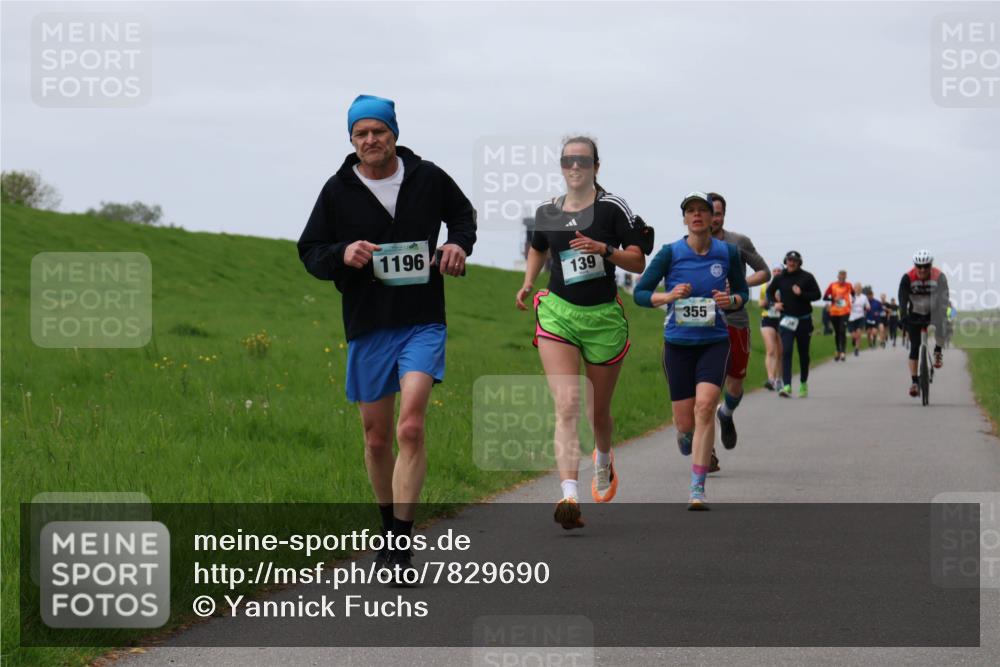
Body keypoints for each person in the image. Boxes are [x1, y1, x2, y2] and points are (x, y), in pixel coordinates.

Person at [298, 95, 476, 579]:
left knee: (410, 427)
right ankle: (384, 528)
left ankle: (401, 542)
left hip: (422, 320)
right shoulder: (337, 190)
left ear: (394, 133)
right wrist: (342, 252)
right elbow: (310, 251)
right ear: (351, 140)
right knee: (376, 439)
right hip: (368, 323)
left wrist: (457, 243)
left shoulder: (428, 177)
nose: (370, 140)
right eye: (361, 134)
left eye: (378, 131)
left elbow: (463, 216)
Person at [515, 136, 652, 530]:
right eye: (567, 160)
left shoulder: (612, 208)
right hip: (558, 312)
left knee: (598, 411)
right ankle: (569, 496)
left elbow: (638, 261)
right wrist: (527, 282)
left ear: (596, 165)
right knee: (568, 404)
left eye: (583, 160)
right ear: (561, 166)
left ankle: (604, 459)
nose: (575, 166)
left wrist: (603, 249)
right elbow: (539, 248)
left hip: (603, 318)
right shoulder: (547, 210)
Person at [634, 192, 749, 510]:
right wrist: (667, 296)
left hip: (714, 342)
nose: (697, 215)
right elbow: (641, 293)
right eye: (691, 211)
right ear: (684, 218)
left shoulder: (728, 253)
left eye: (703, 210)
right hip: (678, 346)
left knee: (705, 408)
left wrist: (732, 301)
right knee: (685, 423)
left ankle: (697, 489)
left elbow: (741, 292)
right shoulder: (670, 253)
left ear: (714, 218)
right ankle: (685, 437)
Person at [707, 193, 770, 463]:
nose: (713, 218)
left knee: (733, 387)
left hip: (735, 320)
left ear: (723, 215)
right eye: (709, 212)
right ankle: (706, 452)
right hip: (704, 322)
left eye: (718, 213)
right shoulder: (690, 246)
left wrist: (741, 283)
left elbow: (764, 271)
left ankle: (727, 414)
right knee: (707, 389)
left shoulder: (738, 242)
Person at [765, 251, 821, 397]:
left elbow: (817, 295)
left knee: (803, 354)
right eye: (790, 260)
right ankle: (787, 385)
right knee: (786, 351)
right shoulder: (779, 278)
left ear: (799, 262)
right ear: (786, 261)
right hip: (786, 320)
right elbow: (769, 293)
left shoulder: (807, 277)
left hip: (804, 320)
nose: (792, 262)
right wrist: (774, 304)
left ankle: (803, 383)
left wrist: (801, 293)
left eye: (795, 260)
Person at [898, 249, 949, 398]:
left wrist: (943, 314)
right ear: (915, 266)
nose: (922, 269)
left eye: (925, 266)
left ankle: (938, 351)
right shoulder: (907, 277)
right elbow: (902, 299)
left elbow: (944, 298)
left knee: (944, 323)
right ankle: (914, 382)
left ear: (930, 265)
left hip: (934, 309)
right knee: (914, 347)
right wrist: (903, 316)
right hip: (915, 312)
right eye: (919, 266)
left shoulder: (939, 276)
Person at [759, 266, 784, 390]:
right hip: (767, 318)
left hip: (782, 319)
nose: (777, 273)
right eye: (775, 271)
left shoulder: (786, 285)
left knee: (780, 352)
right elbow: (760, 303)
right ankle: (770, 379)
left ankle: (779, 379)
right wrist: (769, 303)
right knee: (770, 350)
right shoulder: (765, 286)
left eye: (779, 270)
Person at [823, 270, 852, 361]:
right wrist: (834, 299)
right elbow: (825, 297)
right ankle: (838, 350)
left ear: (845, 278)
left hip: (845, 312)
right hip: (834, 312)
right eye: (840, 277)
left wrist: (851, 302)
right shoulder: (832, 285)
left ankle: (843, 352)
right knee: (837, 332)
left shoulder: (849, 285)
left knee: (842, 331)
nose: (842, 279)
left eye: (843, 278)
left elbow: (854, 295)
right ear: (838, 277)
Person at [847, 282, 870, 357]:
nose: (858, 290)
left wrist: (868, 307)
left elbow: (868, 305)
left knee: (859, 333)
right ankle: (854, 339)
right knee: (854, 335)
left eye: (860, 288)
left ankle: (857, 349)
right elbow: (844, 304)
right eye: (857, 288)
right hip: (851, 318)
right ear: (854, 289)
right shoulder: (850, 296)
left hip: (861, 317)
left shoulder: (864, 297)